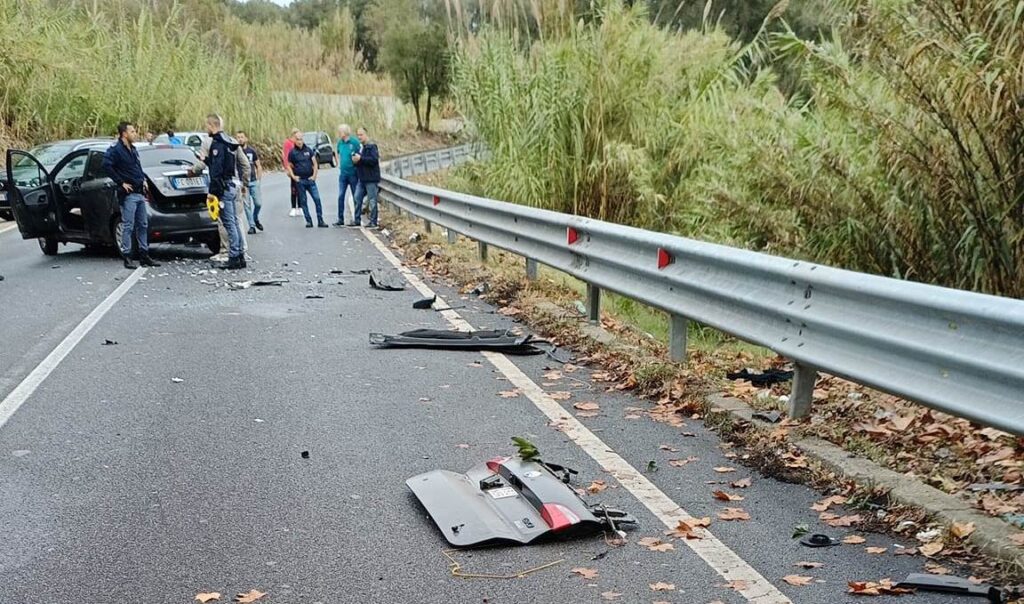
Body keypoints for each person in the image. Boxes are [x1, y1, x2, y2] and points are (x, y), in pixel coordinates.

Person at [102, 121, 160, 269]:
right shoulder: (115, 151)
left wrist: (144, 180)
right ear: (124, 134)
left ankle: (144, 253)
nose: (135, 134)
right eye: (132, 131)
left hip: (140, 192)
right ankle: (127, 255)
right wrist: (120, 182)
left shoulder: (133, 150)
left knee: (143, 224)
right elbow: (106, 165)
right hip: (128, 194)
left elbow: (137, 167)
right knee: (128, 225)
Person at [193, 114, 245, 269]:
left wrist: (212, 192)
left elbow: (217, 171)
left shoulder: (217, 144)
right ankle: (240, 254)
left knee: (229, 223)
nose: (205, 129)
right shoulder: (229, 142)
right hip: (232, 184)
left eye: (206, 126)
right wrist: (206, 160)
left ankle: (234, 256)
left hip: (223, 187)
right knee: (235, 222)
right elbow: (224, 165)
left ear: (211, 125)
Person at [286, 130, 327, 228]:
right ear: (295, 140)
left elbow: (315, 163)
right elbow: (289, 166)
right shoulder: (292, 152)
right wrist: (294, 177)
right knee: (303, 201)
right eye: (297, 139)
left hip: (310, 180)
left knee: (317, 199)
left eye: (301, 139)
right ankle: (309, 221)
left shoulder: (308, 150)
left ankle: (320, 220)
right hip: (300, 181)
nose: (299, 141)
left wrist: (314, 176)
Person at [351, 127, 381, 228]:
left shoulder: (372, 146)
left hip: (371, 178)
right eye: (358, 135)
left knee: (372, 200)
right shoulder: (360, 147)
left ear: (366, 135)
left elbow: (373, 160)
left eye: (361, 135)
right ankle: (357, 220)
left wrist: (361, 159)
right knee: (357, 197)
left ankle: (373, 221)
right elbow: (360, 162)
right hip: (362, 178)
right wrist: (355, 161)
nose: (359, 137)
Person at [333, 124, 360, 227]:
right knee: (340, 196)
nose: (339, 134)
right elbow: (338, 153)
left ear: (344, 132)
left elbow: (359, 153)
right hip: (343, 174)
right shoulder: (340, 143)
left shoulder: (354, 142)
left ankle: (357, 218)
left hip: (353, 173)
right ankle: (340, 218)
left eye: (340, 132)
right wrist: (339, 163)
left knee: (355, 196)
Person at [237, 131, 263, 233]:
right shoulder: (236, 152)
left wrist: (258, 180)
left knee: (258, 204)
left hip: (253, 181)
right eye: (238, 137)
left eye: (242, 137)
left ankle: (255, 218)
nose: (240, 139)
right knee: (247, 205)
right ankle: (252, 226)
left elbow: (258, 165)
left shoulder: (251, 151)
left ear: (246, 138)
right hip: (243, 183)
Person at [283, 130, 300, 217]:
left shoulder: (299, 143)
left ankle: (300, 207)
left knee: (301, 188)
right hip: (292, 168)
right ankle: (293, 207)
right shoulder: (288, 143)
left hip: (300, 168)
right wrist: (287, 169)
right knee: (294, 188)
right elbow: (286, 156)